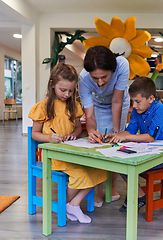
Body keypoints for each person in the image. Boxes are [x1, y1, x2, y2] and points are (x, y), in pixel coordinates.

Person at [28, 63, 107, 223]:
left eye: (71, 91)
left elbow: (78, 128)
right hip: (53, 157)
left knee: (99, 170)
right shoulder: (42, 107)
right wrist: (50, 138)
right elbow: (35, 134)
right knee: (82, 175)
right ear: (52, 84)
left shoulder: (74, 106)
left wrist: (73, 134)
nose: (67, 94)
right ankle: (70, 205)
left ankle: (70, 205)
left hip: (71, 153)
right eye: (62, 90)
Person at [105, 77, 163, 212]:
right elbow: (130, 131)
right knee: (120, 162)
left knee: (129, 165)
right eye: (132, 101)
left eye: (137, 101)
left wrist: (126, 137)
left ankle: (138, 195)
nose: (134, 106)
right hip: (148, 151)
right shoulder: (138, 111)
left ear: (150, 98)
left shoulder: (159, 109)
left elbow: (150, 137)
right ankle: (141, 195)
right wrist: (117, 135)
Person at [79, 45, 130, 206]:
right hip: (98, 105)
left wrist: (116, 132)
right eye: (95, 78)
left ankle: (112, 186)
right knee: (98, 142)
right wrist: (91, 130)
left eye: (104, 77)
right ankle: (98, 187)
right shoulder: (83, 78)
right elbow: (90, 115)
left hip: (118, 102)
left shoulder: (121, 64)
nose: (100, 82)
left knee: (114, 143)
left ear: (112, 70)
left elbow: (116, 101)